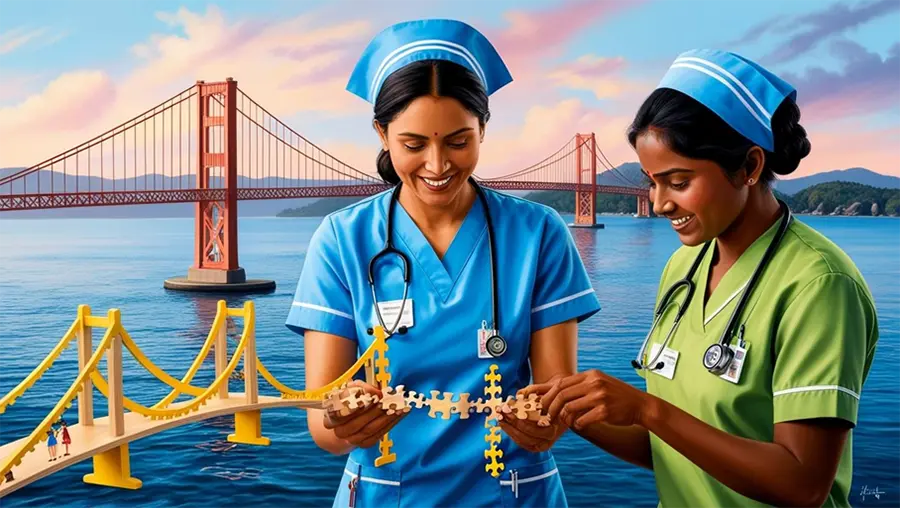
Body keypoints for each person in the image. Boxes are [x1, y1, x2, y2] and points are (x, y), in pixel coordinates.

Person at [517, 49, 879, 507]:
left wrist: (647, 409)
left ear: (749, 167)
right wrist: (574, 415)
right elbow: (674, 450)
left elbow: (801, 484)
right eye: (651, 181)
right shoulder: (683, 268)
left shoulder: (820, 285)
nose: (658, 203)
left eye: (678, 181)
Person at [286, 18, 601, 508]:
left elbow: (553, 398)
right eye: (413, 145)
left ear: (483, 129)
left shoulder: (538, 232)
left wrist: (545, 421)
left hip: (516, 495)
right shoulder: (341, 240)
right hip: (386, 494)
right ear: (381, 133)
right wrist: (346, 424)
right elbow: (322, 431)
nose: (437, 166)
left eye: (458, 142)